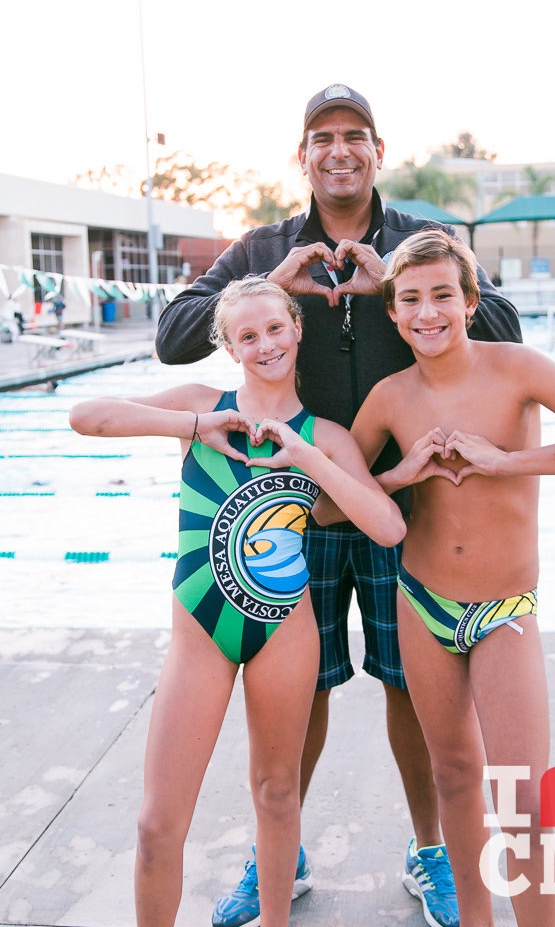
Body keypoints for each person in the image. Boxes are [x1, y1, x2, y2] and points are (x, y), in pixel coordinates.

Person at [156, 83, 523, 927]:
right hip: (290, 506)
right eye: (322, 136)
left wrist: (391, 283)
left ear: (376, 150)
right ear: (303, 155)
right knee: (302, 687)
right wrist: (268, 279)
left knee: (408, 685)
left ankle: (428, 851)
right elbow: (175, 335)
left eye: (354, 135)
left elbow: (501, 322)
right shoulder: (263, 245)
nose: (338, 150)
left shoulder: (416, 244)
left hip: (405, 499)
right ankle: (277, 853)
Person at [69, 276, 405, 927]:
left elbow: (386, 526)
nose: (266, 344)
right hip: (200, 636)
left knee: (278, 796)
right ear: (229, 347)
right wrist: (196, 423)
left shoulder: (325, 435)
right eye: (247, 336)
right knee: (155, 823)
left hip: (286, 633)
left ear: (296, 330)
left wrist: (305, 454)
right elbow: (87, 417)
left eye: (275, 329)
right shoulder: (201, 405)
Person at [349, 229, 555, 925]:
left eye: (441, 297)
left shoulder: (517, 369)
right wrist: (400, 473)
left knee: (521, 800)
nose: (427, 313)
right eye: (410, 300)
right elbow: (339, 499)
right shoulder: (390, 398)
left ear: (470, 301)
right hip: (421, 603)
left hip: (503, 609)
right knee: (453, 778)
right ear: (392, 313)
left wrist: (503, 461)